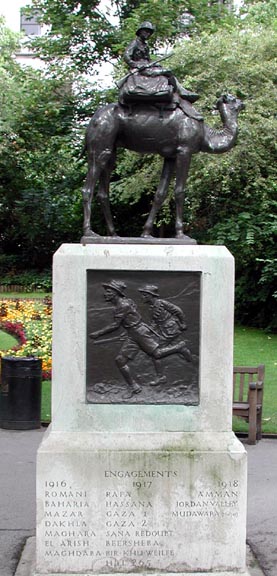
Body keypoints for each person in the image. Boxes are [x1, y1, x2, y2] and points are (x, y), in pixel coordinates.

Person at [89, 280, 191, 398]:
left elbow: (115, 325)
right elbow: (135, 318)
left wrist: (98, 333)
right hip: (134, 333)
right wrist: (129, 330)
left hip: (139, 333)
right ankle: (134, 387)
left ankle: (178, 348)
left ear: (116, 293)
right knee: (120, 360)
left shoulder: (123, 305)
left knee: (157, 354)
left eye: (108, 292)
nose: (105, 294)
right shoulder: (125, 303)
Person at [119, 21, 203, 120]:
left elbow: (147, 59)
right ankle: (182, 91)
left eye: (149, 32)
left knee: (165, 71)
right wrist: (136, 65)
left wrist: (154, 63)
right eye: (145, 31)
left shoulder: (145, 45)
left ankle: (181, 90)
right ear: (140, 32)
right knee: (167, 72)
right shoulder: (135, 43)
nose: (147, 34)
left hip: (147, 66)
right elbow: (126, 56)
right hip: (141, 69)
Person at [138, 284, 192, 361]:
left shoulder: (162, 303)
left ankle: (179, 348)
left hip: (171, 329)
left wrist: (183, 323)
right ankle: (185, 355)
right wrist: (148, 330)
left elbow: (178, 310)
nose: (142, 297)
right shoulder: (151, 308)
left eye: (144, 295)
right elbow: (156, 322)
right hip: (163, 331)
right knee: (154, 350)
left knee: (156, 351)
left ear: (151, 295)